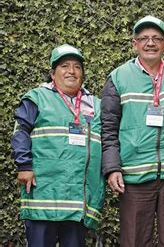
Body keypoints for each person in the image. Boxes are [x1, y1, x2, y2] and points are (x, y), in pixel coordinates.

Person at [101, 15, 164, 247]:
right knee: (135, 241)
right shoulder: (118, 78)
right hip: (134, 175)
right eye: (144, 38)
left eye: (156, 38)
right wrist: (112, 168)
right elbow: (108, 128)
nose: (150, 43)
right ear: (134, 44)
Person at [11, 44, 104, 246]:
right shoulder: (37, 97)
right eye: (64, 66)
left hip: (79, 200)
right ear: (52, 73)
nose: (71, 71)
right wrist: (24, 166)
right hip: (44, 193)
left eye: (77, 67)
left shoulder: (96, 105)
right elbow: (20, 132)